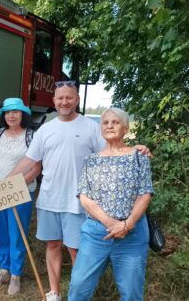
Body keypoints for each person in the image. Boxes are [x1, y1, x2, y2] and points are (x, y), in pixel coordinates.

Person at [8, 81, 150, 301]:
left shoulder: (92, 127)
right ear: (54, 100)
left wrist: (137, 148)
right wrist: (5, 182)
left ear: (77, 100)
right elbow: (30, 160)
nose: (64, 102)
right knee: (53, 245)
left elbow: (113, 149)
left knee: (76, 250)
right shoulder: (45, 128)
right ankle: (54, 292)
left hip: (79, 203)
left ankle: (82, 292)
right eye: (60, 98)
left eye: (69, 97)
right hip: (49, 199)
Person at [68, 108, 154, 300]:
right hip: (96, 234)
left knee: (132, 292)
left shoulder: (139, 157)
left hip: (132, 235)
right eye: (105, 122)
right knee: (78, 285)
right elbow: (84, 197)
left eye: (115, 122)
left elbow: (145, 193)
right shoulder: (91, 160)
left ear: (125, 128)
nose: (109, 126)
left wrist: (127, 224)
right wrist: (111, 224)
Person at [0, 98, 41, 295]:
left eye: (15, 112)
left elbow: (36, 167)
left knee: (17, 233)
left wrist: (15, 184)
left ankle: (16, 274)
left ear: (23, 114)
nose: (11, 115)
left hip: (20, 191)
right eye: (7, 112)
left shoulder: (31, 136)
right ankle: (4, 270)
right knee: (1, 232)